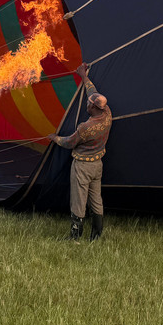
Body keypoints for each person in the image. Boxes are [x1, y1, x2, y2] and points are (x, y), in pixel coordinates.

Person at [48, 63, 112, 241]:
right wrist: (84, 75)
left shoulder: (86, 127)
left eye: (89, 104)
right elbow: (93, 92)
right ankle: (96, 236)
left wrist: (55, 138)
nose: (87, 103)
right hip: (97, 165)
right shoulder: (107, 113)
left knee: (78, 200)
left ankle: (75, 236)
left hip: (83, 166)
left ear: (93, 108)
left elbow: (69, 142)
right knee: (96, 199)